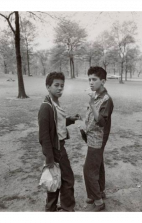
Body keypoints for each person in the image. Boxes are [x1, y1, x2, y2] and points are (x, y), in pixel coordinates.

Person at [38, 72, 81, 212]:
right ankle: (68, 208)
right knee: (67, 179)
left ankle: (50, 208)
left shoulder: (55, 103)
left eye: (62, 86)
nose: (60, 88)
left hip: (58, 147)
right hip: (56, 150)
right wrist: (50, 158)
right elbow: (44, 136)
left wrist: (71, 119)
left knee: (55, 179)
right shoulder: (46, 107)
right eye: (56, 85)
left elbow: (57, 125)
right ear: (48, 86)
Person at [83, 66, 114, 212]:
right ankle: (99, 192)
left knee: (89, 169)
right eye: (89, 79)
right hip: (92, 137)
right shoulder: (96, 95)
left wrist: (91, 104)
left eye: (94, 79)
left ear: (102, 81)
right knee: (98, 166)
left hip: (98, 138)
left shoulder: (107, 99)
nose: (90, 82)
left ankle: (98, 201)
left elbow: (101, 122)